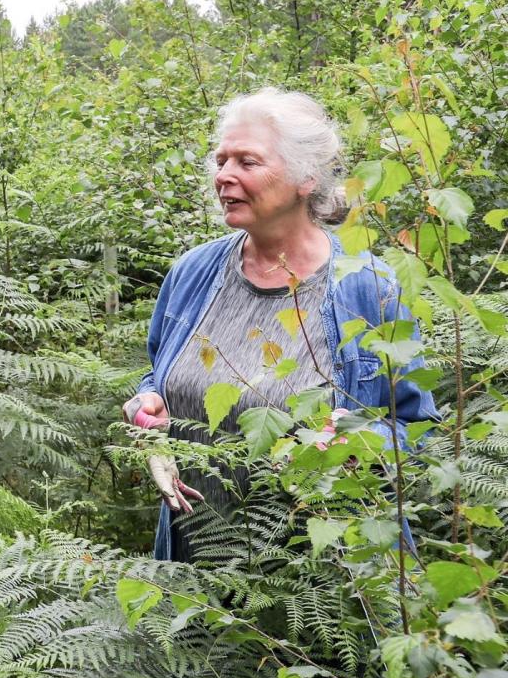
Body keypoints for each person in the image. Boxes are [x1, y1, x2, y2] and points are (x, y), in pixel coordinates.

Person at [125, 87, 439, 562]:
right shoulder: (192, 273)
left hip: (325, 589)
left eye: (246, 162)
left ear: (305, 177)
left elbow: (416, 427)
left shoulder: (368, 287)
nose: (223, 176)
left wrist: (364, 442)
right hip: (197, 577)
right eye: (220, 160)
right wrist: (149, 403)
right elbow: (159, 375)